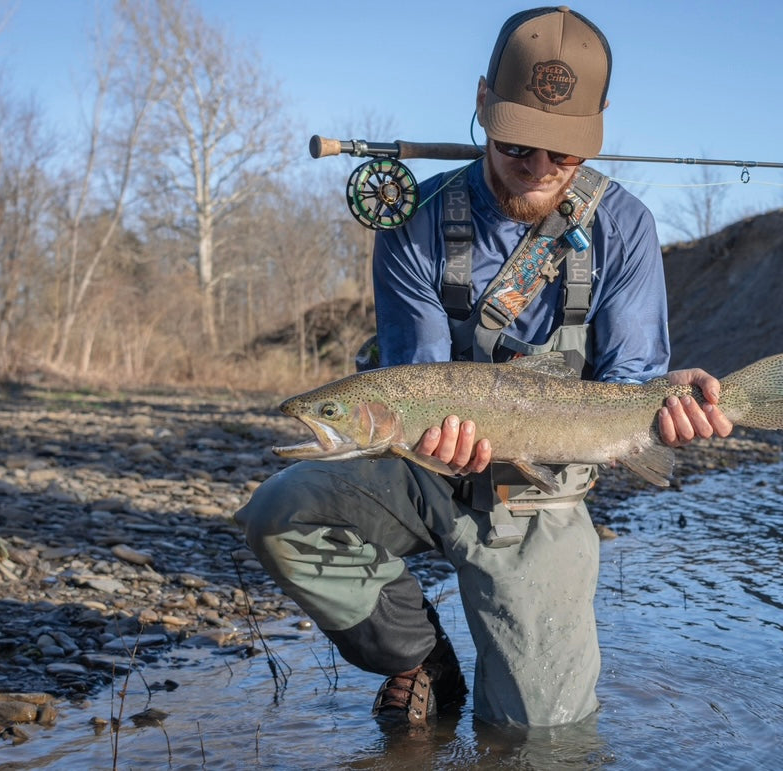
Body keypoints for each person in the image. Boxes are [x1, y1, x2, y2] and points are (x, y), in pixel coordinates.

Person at [235, 6, 733, 729]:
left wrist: (667, 401)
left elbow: (631, 382)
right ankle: (417, 653)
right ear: (481, 107)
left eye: (561, 155)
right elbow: (417, 376)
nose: (536, 169)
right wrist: (429, 443)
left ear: (595, 129)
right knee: (281, 511)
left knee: (537, 737)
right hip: (424, 467)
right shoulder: (416, 220)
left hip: (540, 495)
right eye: (516, 145)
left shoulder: (624, 226)